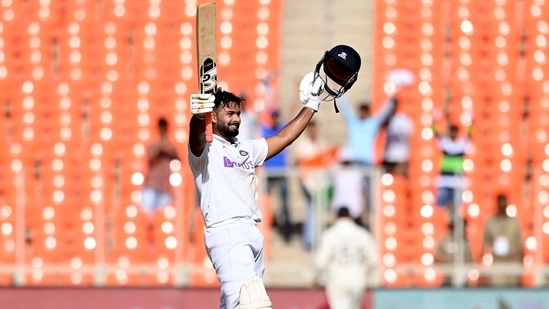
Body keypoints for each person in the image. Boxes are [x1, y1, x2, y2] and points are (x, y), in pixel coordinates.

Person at [188, 44, 361, 309]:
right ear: (213, 116)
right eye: (229, 114)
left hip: (251, 232)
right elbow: (197, 138)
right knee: (253, 303)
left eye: (238, 114)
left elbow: (284, 137)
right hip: (227, 232)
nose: (236, 119)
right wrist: (198, 117)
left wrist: (311, 104)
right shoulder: (206, 150)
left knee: (234, 304)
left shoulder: (245, 149)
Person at [313, 207, 378, 309]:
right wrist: (366, 274)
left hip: (337, 278)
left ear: (336, 217)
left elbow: (321, 261)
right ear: (350, 217)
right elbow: (373, 260)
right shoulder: (363, 234)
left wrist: (316, 278)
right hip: (357, 278)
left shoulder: (330, 234)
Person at [293, 121, 332, 250]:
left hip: (319, 182)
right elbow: (297, 162)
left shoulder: (321, 143)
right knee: (312, 209)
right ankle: (310, 240)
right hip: (308, 182)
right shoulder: (303, 145)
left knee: (316, 210)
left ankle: (314, 239)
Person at [432, 112, 472, 218]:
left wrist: (472, 122)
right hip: (444, 182)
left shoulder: (461, 145)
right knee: (439, 209)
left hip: (457, 183)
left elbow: (470, 135)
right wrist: (434, 121)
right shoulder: (445, 144)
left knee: (457, 211)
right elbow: (435, 133)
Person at [261, 110, 292, 243]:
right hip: (268, 173)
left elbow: (292, 113)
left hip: (280, 172)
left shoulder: (282, 130)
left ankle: (286, 232)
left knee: (284, 203)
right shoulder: (266, 130)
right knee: (265, 203)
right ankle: (267, 229)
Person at [481, 194, 523, 287]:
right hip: (497, 262)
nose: (502, 205)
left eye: (504, 202)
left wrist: (520, 264)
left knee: (512, 290)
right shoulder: (490, 222)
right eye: (500, 202)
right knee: (497, 289)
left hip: (512, 261)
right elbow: (485, 244)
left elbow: (520, 245)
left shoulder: (514, 222)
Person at [140, 117, 179, 216]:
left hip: (165, 187)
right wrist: (159, 148)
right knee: (147, 217)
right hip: (151, 186)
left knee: (163, 220)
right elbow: (150, 159)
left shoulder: (170, 145)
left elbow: (178, 158)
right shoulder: (153, 144)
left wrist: (166, 146)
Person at [330, 147, 365, 225]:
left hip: (354, 209)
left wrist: (362, 207)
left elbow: (361, 192)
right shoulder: (337, 173)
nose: (346, 164)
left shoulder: (356, 174)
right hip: (340, 208)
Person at [434, 219, 473, 287]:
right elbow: (437, 258)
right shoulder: (444, 241)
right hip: (447, 279)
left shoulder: (466, 242)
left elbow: (470, 261)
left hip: (462, 279)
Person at [381, 98, 413, 178]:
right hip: (388, 156)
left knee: (400, 180)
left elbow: (408, 138)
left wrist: (406, 157)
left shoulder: (402, 119)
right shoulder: (385, 119)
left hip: (400, 156)